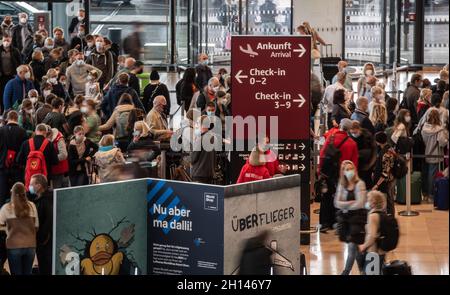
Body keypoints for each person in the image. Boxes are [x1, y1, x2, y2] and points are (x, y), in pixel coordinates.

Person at [319, 119, 359, 231]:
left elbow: (322, 155)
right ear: (349, 129)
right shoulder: (352, 143)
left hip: (328, 173)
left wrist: (320, 171)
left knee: (326, 197)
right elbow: (354, 163)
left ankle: (325, 223)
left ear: (340, 126)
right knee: (341, 197)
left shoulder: (330, 138)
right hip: (344, 174)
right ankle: (338, 223)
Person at [335, 160, 367, 275]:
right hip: (346, 221)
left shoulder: (360, 184)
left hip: (358, 221)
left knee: (352, 247)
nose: (349, 172)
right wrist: (350, 204)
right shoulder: (341, 184)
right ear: (342, 172)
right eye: (346, 170)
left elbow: (360, 203)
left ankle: (345, 272)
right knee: (356, 248)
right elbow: (336, 203)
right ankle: (363, 271)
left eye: (351, 169)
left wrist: (345, 204)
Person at [0, 182, 38, 275]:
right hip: (30, 246)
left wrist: (8, 230)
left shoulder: (6, 208)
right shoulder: (32, 206)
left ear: (12, 193)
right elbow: (36, 226)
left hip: (14, 246)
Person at [421, 109, 449, 203]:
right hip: (435, 154)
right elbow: (442, 143)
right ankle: (431, 194)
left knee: (426, 174)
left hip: (424, 153)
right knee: (432, 175)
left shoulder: (424, 127)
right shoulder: (439, 129)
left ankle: (424, 193)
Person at [0, 111, 27, 206]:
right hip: (17, 166)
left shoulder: (1, 130)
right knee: (18, 192)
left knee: (2, 193)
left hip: (2, 165)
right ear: (16, 118)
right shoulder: (22, 131)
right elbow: (24, 150)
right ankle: (18, 212)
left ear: (7, 118)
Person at [28, 174, 52, 275]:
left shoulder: (44, 202)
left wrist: (41, 239)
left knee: (45, 267)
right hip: (42, 241)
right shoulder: (40, 199)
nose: (29, 187)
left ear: (38, 185)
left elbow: (47, 222)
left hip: (44, 242)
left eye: (31, 184)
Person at [358, 190, 388, 274]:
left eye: (368, 200)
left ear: (373, 202)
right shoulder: (383, 214)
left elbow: (372, 236)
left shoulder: (373, 216)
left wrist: (363, 246)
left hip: (373, 252)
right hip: (382, 251)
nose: (367, 202)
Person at [372, 132, 395, 216]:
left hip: (386, 181)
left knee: (389, 201)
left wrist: (377, 184)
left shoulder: (386, 153)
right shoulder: (388, 149)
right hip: (387, 180)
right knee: (389, 201)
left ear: (378, 141)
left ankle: (390, 219)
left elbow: (386, 171)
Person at [350, 121, 377, 188]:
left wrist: (370, 165)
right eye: (352, 132)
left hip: (366, 165)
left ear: (359, 129)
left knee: (367, 184)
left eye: (355, 132)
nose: (354, 134)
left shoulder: (367, 136)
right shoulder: (349, 137)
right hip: (355, 166)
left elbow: (374, 151)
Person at [0, 35, 22, 112]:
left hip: (12, 76)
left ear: (11, 41)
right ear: (2, 40)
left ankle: (13, 112)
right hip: (2, 76)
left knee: (13, 93)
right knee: (2, 94)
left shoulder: (15, 51)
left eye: (8, 40)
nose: (6, 42)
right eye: (5, 40)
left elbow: (20, 62)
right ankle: (4, 111)